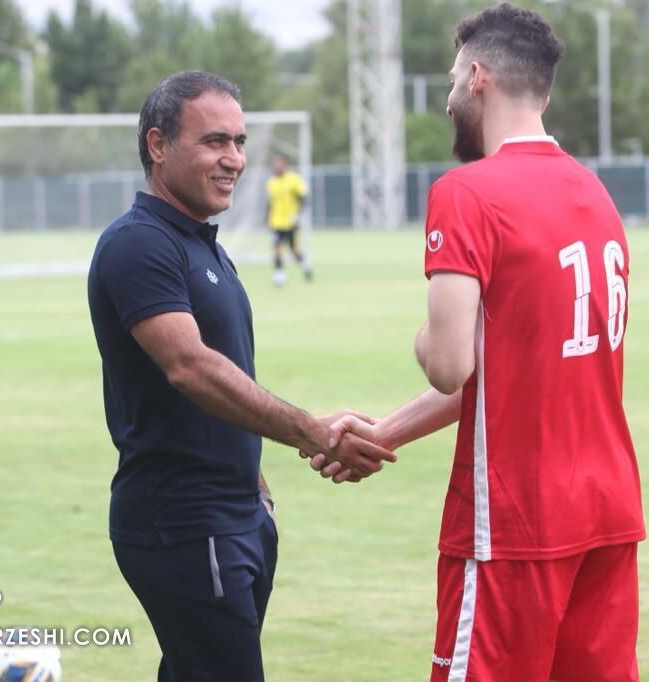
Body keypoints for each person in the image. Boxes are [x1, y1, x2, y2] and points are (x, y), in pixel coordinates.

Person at [314, 5, 645, 680]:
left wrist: (428, 336)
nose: (446, 100)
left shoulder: (467, 192)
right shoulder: (594, 192)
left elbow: (450, 365)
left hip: (514, 523)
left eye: (449, 82)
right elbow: (511, 373)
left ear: (477, 77)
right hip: (607, 512)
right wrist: (385, 432)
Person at [86, 70, 395, 682]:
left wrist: (249, 474)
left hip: (236, 515)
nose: (233, 159)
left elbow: (218, 374)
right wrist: (309, 431)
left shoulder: (204, 244)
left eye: (239, 142)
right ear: (157, 145)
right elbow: (189, 366)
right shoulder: (138, 245)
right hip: (183, 522)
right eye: (213, 142)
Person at [265, 154, 312, 286]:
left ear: (285, 165)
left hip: (291, 222)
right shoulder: (271, 182)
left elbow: (304, 198)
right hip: (275, 222)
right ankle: (279, 275)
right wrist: (267, 220)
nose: (276, 166)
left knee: (293, 249)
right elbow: (269, 203)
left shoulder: (294, 179)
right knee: (276, 247)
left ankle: (305, 266)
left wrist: (298, 215)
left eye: (279, 163)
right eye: (275, 164)